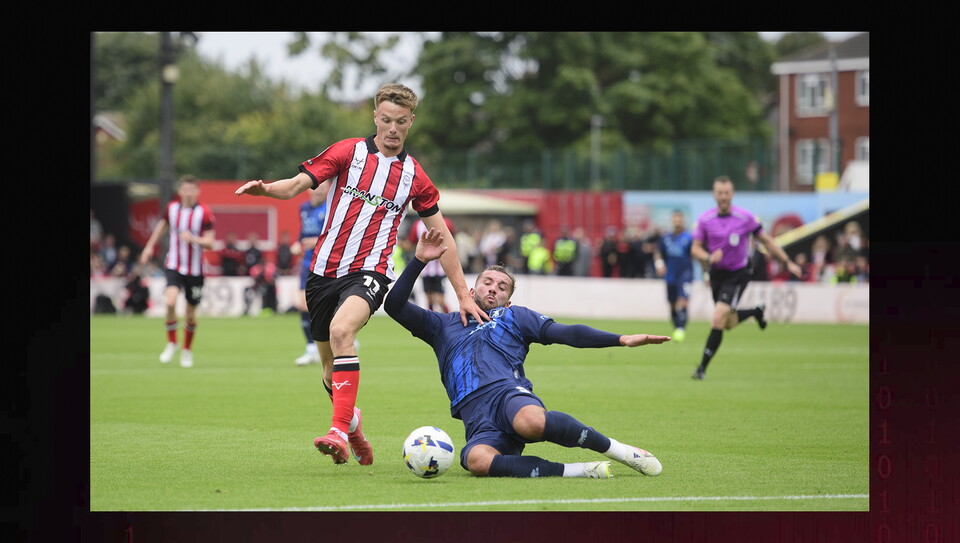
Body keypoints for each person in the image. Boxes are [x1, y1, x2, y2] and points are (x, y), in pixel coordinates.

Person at [234, 83, 489, 466]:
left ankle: (337, 430)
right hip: (322, 273)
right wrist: (267, 190)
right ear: (375, 117)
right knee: (328, 372)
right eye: (386, 120)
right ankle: (352, 424)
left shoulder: (414, 177)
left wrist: (463, 294)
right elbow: (297, 186)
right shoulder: (347, 152)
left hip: (371, 271)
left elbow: (444, 239)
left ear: (410, 123)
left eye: (400, 122)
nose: (392, 129)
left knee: (342, 332)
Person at [385, 228, 669, 479]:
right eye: (488, 282)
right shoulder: (441, 325)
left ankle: (617, 450)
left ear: (509, 300)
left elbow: (568, 333)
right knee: (476, 462)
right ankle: (579, 471)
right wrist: (419, 260)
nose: (493, 288)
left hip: (508, 394)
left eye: (502, 286)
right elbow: (394, 306)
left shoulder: (516, 318)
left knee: (530, 422)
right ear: (471, 290)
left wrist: (620, 339)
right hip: (475, 416)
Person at [689, 176, 801, 380]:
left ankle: (702, 368)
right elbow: (695, 249)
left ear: (732, 194)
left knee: (717, 318)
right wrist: (707, 257)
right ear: (714, 195)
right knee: (727, 323)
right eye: (720, 193)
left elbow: (766, 241)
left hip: (738, 274)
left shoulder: (745, 218)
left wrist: (787, 261)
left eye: (727, 193)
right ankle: (756, 311)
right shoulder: (705, 219)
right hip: (717, 275)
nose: (723, 197)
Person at [138, 175, 216, 368]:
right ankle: (172, 343)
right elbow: (162, 227)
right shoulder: (172, 209)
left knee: (190, 314)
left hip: (195, 271)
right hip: (174, 265)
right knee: (170, 301)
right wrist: (149, 247)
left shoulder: (204, 212)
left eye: (192, 190)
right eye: (185, 189)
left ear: (197, 191)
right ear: (180, 191)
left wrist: (194, 239)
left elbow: (210, 242)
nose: (188, 193)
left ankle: (187, 350)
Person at [293, 184, 329, 366]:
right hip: (308, 263)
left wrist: (317, 241)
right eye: (316, 187)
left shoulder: (332, 207)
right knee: (302, 303)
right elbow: (303, 233)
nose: (319, 190)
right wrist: (297, 243)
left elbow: (337, 235)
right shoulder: (304, 208)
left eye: (323, 187)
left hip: (327, 263)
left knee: (326, 305)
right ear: (309, 189)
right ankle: (310, 348)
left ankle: (341, 337)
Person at [654, 210, 694, 342]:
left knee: (683, 301)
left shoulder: (689, 238)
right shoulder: (666, 238)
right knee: (672, 304)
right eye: (675, 219)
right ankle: (677, 327)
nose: (677, 222)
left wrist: (706, 273)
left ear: (682, 221)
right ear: (672, 221)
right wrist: (659, 264)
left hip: (685, 275)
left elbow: (695, 253)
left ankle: (681, 329)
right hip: (670, 275)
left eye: (679, 219)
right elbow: (658, 252)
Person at [407, 217, 456, 312]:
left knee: (439, 301)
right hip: (425, 270)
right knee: (429, 301)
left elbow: (452, 240)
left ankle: (451, 320)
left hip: (439, 270)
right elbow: (411, 243)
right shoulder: (417, 225)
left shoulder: (445, 222)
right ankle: (431, 324)